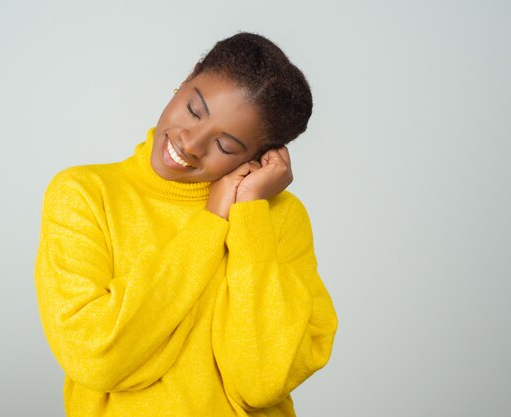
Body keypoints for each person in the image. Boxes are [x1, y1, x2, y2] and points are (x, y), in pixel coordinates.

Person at [34, 32, 338, 417]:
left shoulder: (277, 217)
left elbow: (263, 381)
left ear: (260, 157)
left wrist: (249, 215)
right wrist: (210, 224)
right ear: (187, 78)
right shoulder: (84, 194)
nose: (191, 142)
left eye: (226, 146)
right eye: (194, 110)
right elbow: (94, 356)